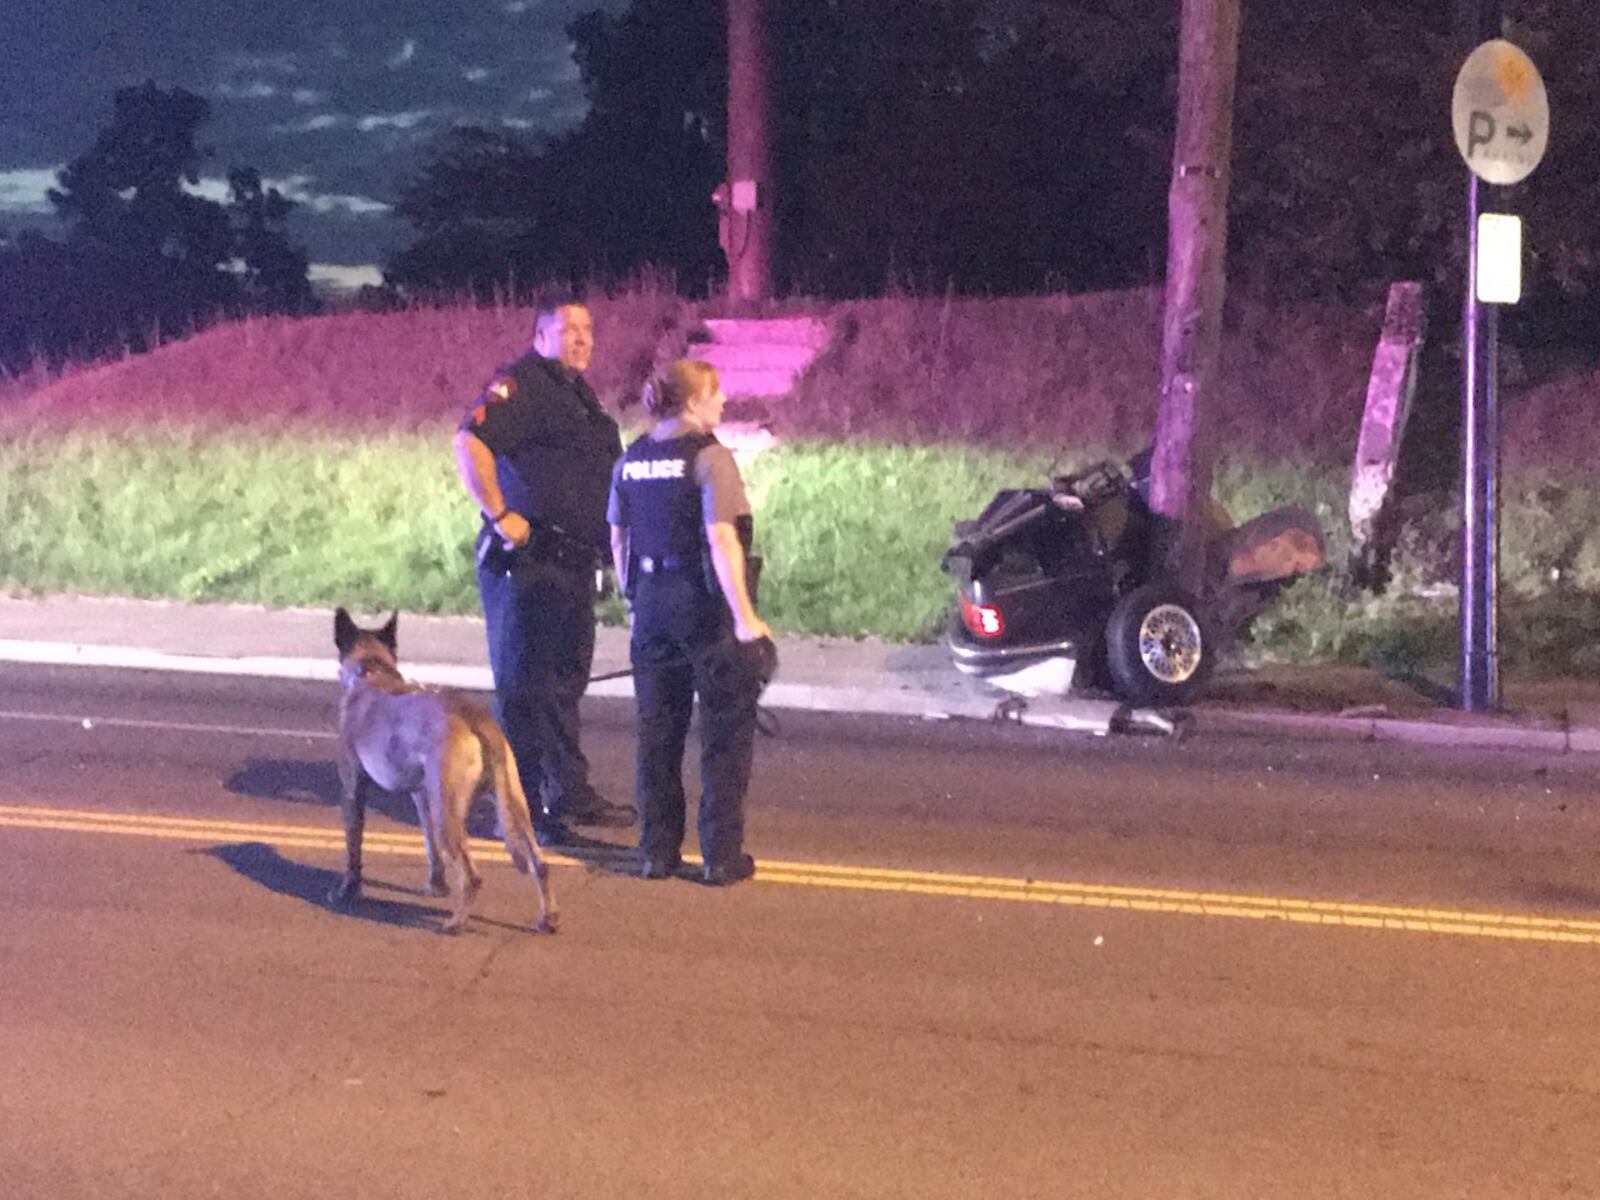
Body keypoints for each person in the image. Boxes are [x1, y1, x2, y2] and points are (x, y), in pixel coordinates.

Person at [454, 294, 636, 845]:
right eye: (568, 329)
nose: (581, 338)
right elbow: (471, 441)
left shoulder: (580, 396)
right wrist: (500, 513)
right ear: (541, 335)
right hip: (529, 565)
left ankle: (568, 792)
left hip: (573, 565)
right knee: (524, 689)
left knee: (564, 686)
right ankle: (520, 808)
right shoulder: (522, 384)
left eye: (587, 330)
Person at [607, 360, 776, 886]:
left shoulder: (631, 458)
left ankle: (658, 851)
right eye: (717, 392)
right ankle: (721, 856)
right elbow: (721, 539)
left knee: (658, 732)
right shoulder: (710, 458)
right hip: (702, 607)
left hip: (652, 605)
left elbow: (619, 537)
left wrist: (633, 599)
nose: (723, 401)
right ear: (694, 400)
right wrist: (746, 618)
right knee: (724, 734)